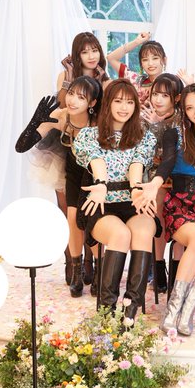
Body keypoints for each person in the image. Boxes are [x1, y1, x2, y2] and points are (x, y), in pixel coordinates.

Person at [134, 84, 195, 336]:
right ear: (184, 112)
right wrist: (155, 183)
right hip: (180, 201)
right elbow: (167, 163)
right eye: (189, 108)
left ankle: (187, 312)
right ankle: (172, 311)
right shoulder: (174, 134)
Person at [73, 79, 158, 321]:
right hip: (101, 203)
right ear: (108, 103)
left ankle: (130, 312)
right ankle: (107, 313)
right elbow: (96, 161)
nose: (124, 107)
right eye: (118, 101)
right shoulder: (89, 135)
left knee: (144, 230)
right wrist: (101, 184)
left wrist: (136, 189)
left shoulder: (144, 137)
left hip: (132, 200)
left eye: (130, 102)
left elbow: (136, 165)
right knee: (120, 235)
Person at [16, 76, 102, 297]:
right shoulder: (61, 116)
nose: (72, 100)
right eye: (71, 93)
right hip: (73, 172)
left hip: (96, 175)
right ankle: (76, 270)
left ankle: (100, 270)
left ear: (92, 103)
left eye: (81, 97)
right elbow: (21, 146)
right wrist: (35, 120)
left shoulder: (100, 121)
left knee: (93, 221)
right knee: (72, 218)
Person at [55, 32, 111, 283]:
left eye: (95, 50)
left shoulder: (105, 79)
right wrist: (69, 79)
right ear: (76, 54)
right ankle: (73, 262)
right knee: (69, 210)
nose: (91, 56)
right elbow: (61, 106)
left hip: (95, 149)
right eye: (85, 51)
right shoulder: (66, 76)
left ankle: (93, 263)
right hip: (67, 145)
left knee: (93, 210)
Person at [143, 73, 184, 294]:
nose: (158, 100)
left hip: (180, 175)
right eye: (155, 94)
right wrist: (153, 126)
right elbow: (145, 153)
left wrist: (159, 126)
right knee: (157, 210)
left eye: (165, 95)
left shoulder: (183, 119)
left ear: (176, 98)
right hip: (154, 177)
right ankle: (158, 266)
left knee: (180, 210)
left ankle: (177, 268)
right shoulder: (144, 117)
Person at [107, 32, 167, 106]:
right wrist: (137, 42)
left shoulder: (171, 84)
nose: (150, 63)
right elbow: (111, 58)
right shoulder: (134, 80)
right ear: (141, 64)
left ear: (164, 60)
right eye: (145, 60)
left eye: (155, 58)